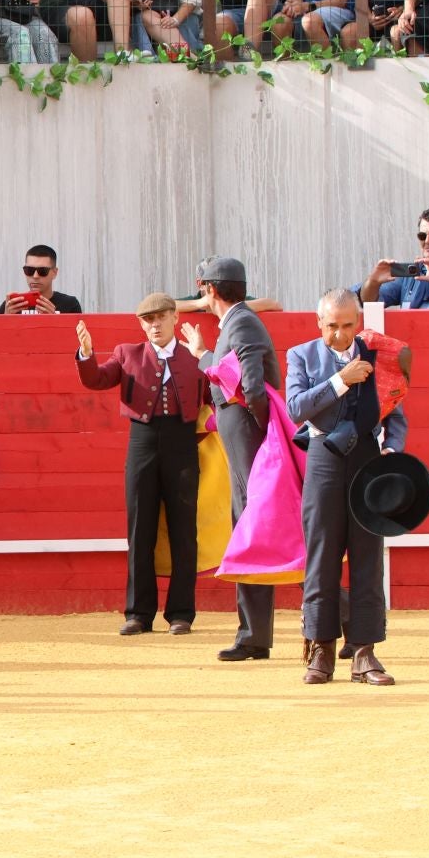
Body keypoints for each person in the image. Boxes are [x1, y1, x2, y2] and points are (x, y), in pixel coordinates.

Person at [285, 288, 408, 686]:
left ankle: (364, 651)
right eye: (331, 326)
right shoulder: (301, 355)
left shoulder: (378, 356)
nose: (339, 335)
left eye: (347, 326)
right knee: (322, 553)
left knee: (367, 554)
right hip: (323, 457)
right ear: (319, 323)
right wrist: (341, 379)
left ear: (359, 323)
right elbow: (295, 408)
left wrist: (392, 448)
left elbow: (395, 411)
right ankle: (321, 649)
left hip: (368, 460)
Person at [75, 293, 210, 636]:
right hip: (142, 441)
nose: (155, 324)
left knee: (184, 531)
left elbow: (215, 394)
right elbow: (97, 379)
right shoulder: (127, 353)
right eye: (148, 319)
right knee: (140, 530)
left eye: (161, 317)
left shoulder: (193, 356)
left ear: (175, 318)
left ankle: (181, 613)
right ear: (141, 324)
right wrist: (87, 354)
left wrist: (207, 359)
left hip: (183, 443)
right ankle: (138, 613)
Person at [174, 258, 282, 665]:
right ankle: (254, 635)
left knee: (266, 534)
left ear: (210, 289)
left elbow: (252, 389)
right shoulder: (237, 323)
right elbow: (234, 378)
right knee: (254, 534)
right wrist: (203, 355)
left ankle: (341, 617)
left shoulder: (243, 325)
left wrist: (261, 434)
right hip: (245, 447)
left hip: (252, 449)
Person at [357, 205, 429, 306]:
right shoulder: (410, 273)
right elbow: (368, 302)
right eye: (422, 236)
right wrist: (373, 282)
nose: (427, 241)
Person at [0, 244, 82, 313]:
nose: (35, 276)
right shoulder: (11, 305)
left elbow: (79, 331)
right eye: (29, 270)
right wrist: (6, 319)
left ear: (54, 273)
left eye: (42, 271)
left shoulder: (70, 304)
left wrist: (54, 320)